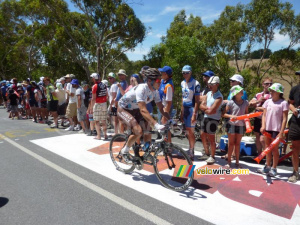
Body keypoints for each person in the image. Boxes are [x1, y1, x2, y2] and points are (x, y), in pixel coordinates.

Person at [117, 68, 169, 160]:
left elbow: (161, 108)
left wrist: (171, 119)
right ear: (149, 80)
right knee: (138, 131)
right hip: (123, 109)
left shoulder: (155, 92)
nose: (160, 82)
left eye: (160, 80)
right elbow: (143, 110)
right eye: (157, 80)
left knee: (148, 128)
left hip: (135, 109)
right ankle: (125, 150)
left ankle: (146, 152)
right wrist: (156, 124)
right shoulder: (141, 88)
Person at [258, 83, 288, 177]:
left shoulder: (283, 103)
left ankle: (274, 168)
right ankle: (267, 166)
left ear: (279, 93)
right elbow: (264, 115)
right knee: (267, 148)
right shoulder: (267, 102)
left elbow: (284, 119)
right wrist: (263, 126)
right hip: (267, 128)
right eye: (271, 90)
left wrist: (281, 132)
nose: (271, 92)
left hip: (277, 129)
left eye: (273, 91)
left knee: (275, 150)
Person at [223, 85, 249, 168]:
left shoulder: (245, 102)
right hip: (232, 125)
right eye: (239, 91)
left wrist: (247, 124)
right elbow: (223, 114)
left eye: (241, 90)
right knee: (231, 144)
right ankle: (229, 162)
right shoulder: (231, 102)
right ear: (235, 93)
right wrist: (231, 116)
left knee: (238, 144)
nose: (242, 92)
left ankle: (237, 162)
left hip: (241, 125)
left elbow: (246, 114)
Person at [199, 76, 223, 165]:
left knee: (211, 138)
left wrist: (206, 108)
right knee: (202, 134)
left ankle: (212, 156)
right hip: (206, 117)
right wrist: (207, 108)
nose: (210, 86)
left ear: (217, 84)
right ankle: (207, 153)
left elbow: (211, 111)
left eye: (212, 84)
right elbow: (202, 106)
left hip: (213, 119)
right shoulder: (209, 93)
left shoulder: (219, 97)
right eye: (209, 84)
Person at [180, 65, 200, 160]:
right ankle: (190, 148)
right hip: (185, 109)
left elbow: (197, 101)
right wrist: (181, 111)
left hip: (192, 109)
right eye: (183, 72)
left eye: (187, 72)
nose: (185, 74)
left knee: (191, 131)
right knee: (187, 131)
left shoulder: (196, 83)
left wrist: (194, 114)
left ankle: (192, 150)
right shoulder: (182, 83)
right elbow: (182, 97)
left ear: (191, 72)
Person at [249, 78, 272, 154]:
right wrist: (259, 101)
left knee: (263, 139)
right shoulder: (258, 95)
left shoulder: (271, 96)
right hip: (257, 118)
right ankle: (259, 155)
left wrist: (257, 107)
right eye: (266, 84)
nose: (268, 86)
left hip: (266, 119)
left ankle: (267, 155)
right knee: (257, 137)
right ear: (263, 84)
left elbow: (268, 108)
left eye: (270, 84)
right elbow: (250, 103)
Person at [287, 71, 300, 183]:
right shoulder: (295, 89)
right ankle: (295, 172)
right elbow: (290, 103)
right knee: (295, 148)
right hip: (296, 122)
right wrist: (293, 109)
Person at [199, 70, 215, 158]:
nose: (204, 77)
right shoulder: (204, 88)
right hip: (203, 113)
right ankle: (206, 151)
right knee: (202, 133)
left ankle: (210, 153)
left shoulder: (212, 89)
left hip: (210, 114)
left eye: (206, 76)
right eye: (204, 76)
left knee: (209, 134)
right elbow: (202, 99)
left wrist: (199, 98)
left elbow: (201, 98)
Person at [158, 66, 174, 144]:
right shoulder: (163, 82)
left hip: (166, 108)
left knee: (166, 128)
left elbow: (169, 102)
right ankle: (165, 145)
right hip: (162, 108)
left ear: (166, 74)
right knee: (163, 128)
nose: (161, 74)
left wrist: (165, 115)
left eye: (162, 73)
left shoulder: (169, 86)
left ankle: (169, 145)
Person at [90, 73, 108, 140]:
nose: (92, 79)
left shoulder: (94, 86)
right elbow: (107, 95)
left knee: (97, 121)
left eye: (92, 78)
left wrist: (91, 107)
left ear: (94, 78)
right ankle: (105, 135)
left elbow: (93, 98)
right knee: (103, 120)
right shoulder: (104, 85)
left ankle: (99, 136)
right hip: (104, 103)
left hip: (98, 104)